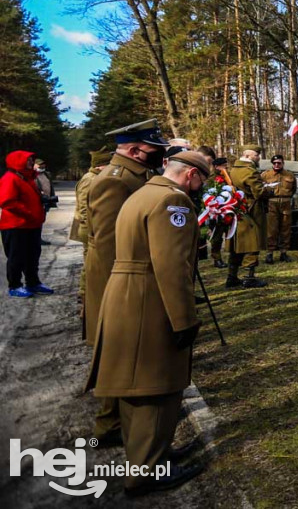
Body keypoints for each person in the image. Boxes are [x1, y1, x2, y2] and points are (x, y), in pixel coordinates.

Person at [84, 151, 210, 497]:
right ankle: (144, 472)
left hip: (127, 294)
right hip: (151, 301)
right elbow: (172, 266)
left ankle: (153, 452)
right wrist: (184, 318)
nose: (201, 186)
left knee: (136, 384)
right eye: (202, 179)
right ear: (190, 175)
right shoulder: (173, 202)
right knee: (155, 387)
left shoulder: (143, 192)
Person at [84, 118, 169, 446]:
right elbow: (108, 244)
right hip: (116, 282)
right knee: (119, 352)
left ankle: (112, 424)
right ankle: (114, 428)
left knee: (119, 353)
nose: (159, 155)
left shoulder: (137, 176)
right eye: (154, 150)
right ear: (135, 151)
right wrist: (119, 295)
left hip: (127, 279)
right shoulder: (115, 182)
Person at [1, 150, 51, 298]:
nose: (31, 162)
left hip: (31, 225)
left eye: (31, 159)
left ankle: (33, 283)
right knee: (16, 257)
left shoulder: (27, 178)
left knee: (32, 256)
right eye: (28, 160)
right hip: (16, 225)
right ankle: (15, 285)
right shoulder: (10, 178)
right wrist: (29, 214)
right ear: (18, 161)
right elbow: (7, 202)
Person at [70, 149, 111, 295]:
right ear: (101, 165)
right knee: (90, 262)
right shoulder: (90, 179)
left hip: (90, 226)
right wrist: (89, 231)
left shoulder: (95, 177)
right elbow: (83, 207)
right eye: (108, 164)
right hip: (88, 227)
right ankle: (84, 292)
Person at [227, 146, 267, 288]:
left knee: (236, 244)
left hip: (235, 210)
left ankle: (232, 277)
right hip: (251, 210)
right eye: (257, 155)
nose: (258, 158)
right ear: (249, 156)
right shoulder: (250, 171)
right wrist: (270, 189)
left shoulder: (233, 170)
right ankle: (249, 278)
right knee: (252, 243)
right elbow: (259, 193)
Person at [261, 154, 296, 263]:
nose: (277, 165)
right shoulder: (266, 175)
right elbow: (260, 189)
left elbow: (293, 189)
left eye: (279, 163)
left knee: (285, 229)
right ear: (272, 164)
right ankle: (270, 253)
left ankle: (284, 252)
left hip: (285, 203)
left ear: (282, 163)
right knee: (272, 229)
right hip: (272, 203)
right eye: (275, 163)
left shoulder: (289, 175)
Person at [206, 157, 233, 268]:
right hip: (216, 210)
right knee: (217, 236)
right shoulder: (212, 178)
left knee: (229, 233)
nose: (226, 167)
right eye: (224, 165)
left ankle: (232, 257)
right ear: (217, 166)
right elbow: (208, 194)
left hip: (228, 209)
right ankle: (217, 259)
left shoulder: (227, 176)